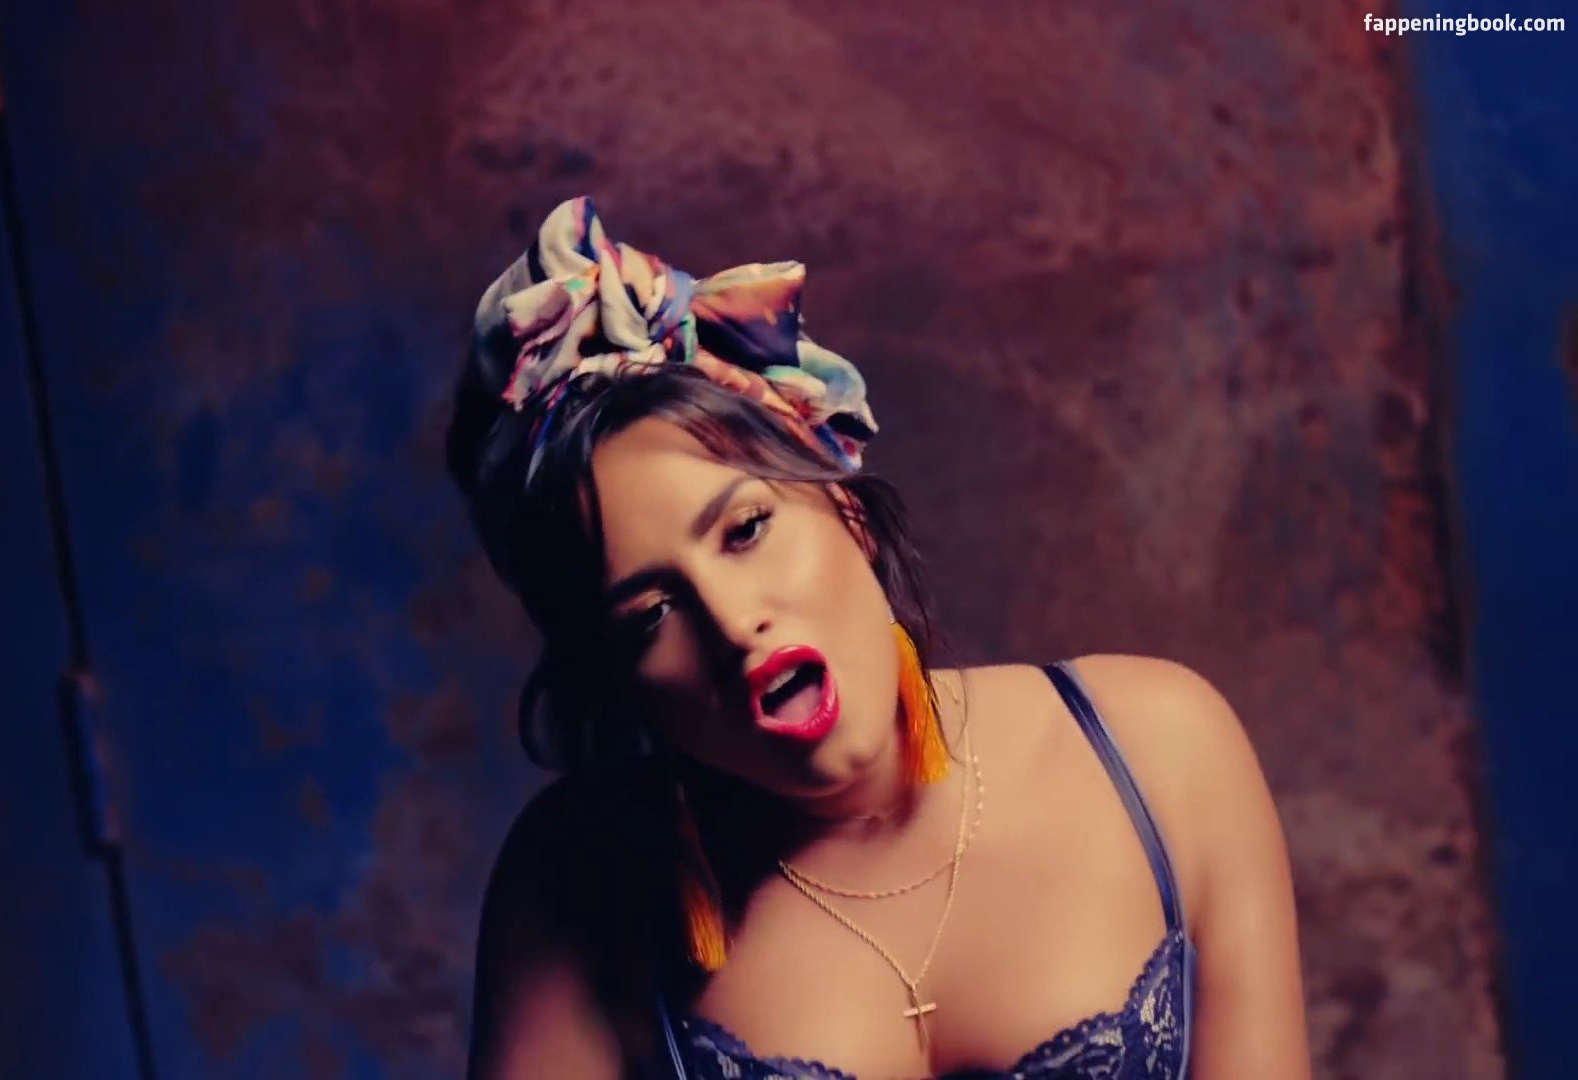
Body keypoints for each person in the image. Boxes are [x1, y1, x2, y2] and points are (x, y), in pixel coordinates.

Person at [447, 197, 1309, 1079]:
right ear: (617, 679)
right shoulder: (574, 890)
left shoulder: (1160, 748)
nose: (734, 623)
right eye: (651, 615)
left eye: (746, 530)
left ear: (846, 506)